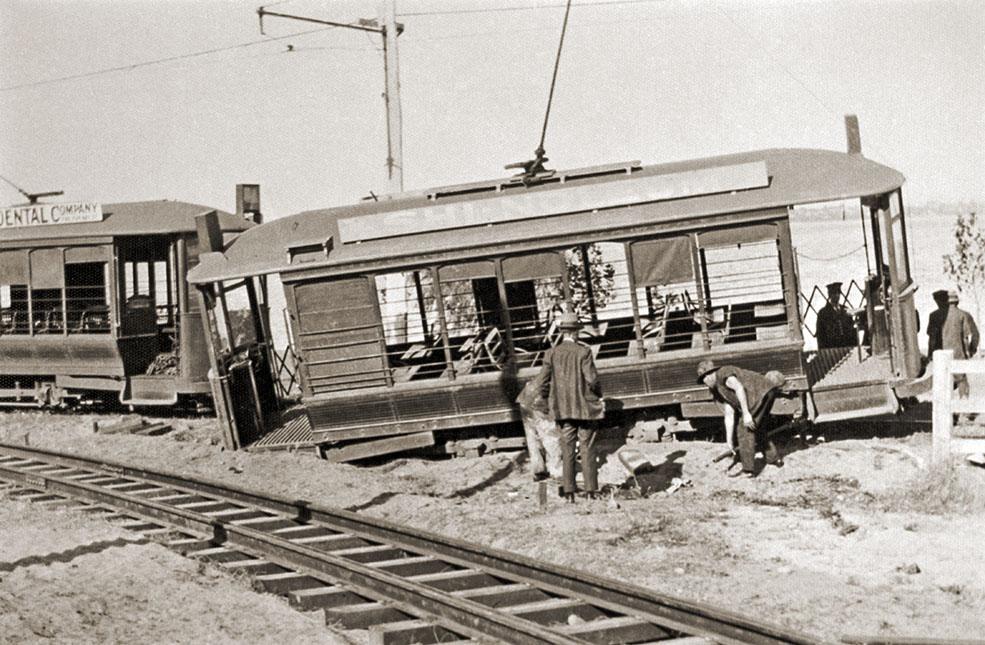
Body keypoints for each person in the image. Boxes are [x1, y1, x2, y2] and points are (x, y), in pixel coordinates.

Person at [530, 311, 604, 502]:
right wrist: (598, 396)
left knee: (567, 448)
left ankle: (569, 492)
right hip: (585, 409)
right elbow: (592, 379)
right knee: (587, 447)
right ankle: (590, 492)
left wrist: (547, 400)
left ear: (563, 332)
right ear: (576, 332)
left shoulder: (551, 353)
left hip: (562, 410)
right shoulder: (584, 352)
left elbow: (541, 382)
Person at [697, 359, 782, 478]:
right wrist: (729, 441)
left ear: (710, 374)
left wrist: (746, 414)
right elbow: (729, 414)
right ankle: (774, 459)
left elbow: (739, 388)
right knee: (756, 426)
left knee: (744, 429)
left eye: (704, 378)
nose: (704, 382)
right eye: (702, 380)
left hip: (761, 393)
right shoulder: (717, 390)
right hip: (766, 392)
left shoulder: (723, 374)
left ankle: (748, 470)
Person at [940, 291, 979, 398]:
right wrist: (971, 350)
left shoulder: (936, 316)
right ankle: (964, 410)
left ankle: (948, 412)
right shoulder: (963, 315)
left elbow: (932, 338)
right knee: (962, 381)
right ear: (957, 302)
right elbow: (973, 335)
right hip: (959, 353)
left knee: (944, 384)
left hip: (940, 356)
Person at [816, 282, 856, 349]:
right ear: (830, 295)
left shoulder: (845, 310)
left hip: (847, 346)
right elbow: (820, 335)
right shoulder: (823, 313)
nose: (837, 296)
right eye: (834, 294)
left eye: (838, 293)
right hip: (832, 348)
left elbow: (851, 329)